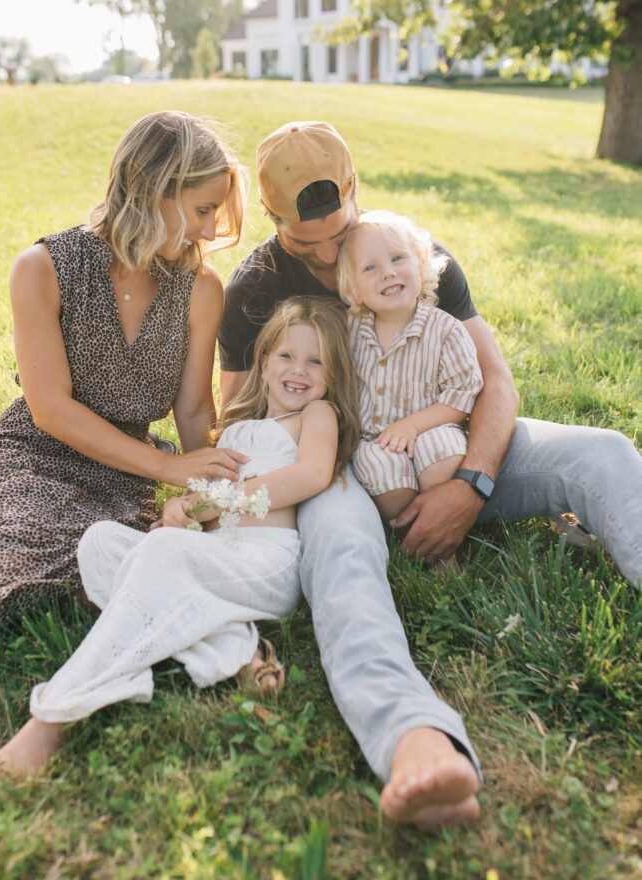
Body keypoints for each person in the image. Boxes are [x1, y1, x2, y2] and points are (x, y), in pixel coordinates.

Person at [218, 120, 642, 828]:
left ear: (352, 189)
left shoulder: (408, 254)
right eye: (304, 240)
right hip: (338, 468)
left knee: (600, 451)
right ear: (270, 216)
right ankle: (414, 741)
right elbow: (234, 412)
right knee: (344, 558)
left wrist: (469, 485)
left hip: (444, 446)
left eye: (335, 230)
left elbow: (495, 383)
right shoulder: (255, 287)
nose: (327, 256)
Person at [0, 296, 360, 784]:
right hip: (215, 554)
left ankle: (55, 715)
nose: (298, 370)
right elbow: (205, 502)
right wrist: (183, 510)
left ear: (331, 374)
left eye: (316, 360)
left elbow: (311, 475)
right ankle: (237, 651)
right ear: (263, 364)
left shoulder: (315, 417)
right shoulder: (238, 428)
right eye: (286, 355)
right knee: (100, 543)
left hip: (266, 563)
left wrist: (220, 503)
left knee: (158, 554)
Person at [0, 110, 250, 664]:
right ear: (154, 191)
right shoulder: (43, 268)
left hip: (124, 475)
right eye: (203, 210)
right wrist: (166, 469)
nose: (212, 231)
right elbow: (49, 410)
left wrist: (211, 494)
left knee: (119, 555)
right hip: (35, 455)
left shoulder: (200, 287)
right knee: (3, 549)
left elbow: (192, 412)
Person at [337, 210, 482, 537]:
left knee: (444, 448)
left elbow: (462, 394)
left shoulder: (446, 330)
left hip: (430, 430)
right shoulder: (350, 331)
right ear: (355, 288)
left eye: (398, 258)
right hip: (376, 441)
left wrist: (412, 426)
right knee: (376, 464)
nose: (387, 273)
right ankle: (409, 533)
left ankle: (440, 526)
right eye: (370, 268)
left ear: (420, 265)